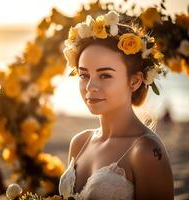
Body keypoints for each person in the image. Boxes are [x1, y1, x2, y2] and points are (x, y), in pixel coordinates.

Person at [59, 10, 174, 200]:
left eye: (105, 75)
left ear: (135, 81)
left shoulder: (145, 151)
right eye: (83, 75)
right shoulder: (79, 142)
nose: (90, 86)